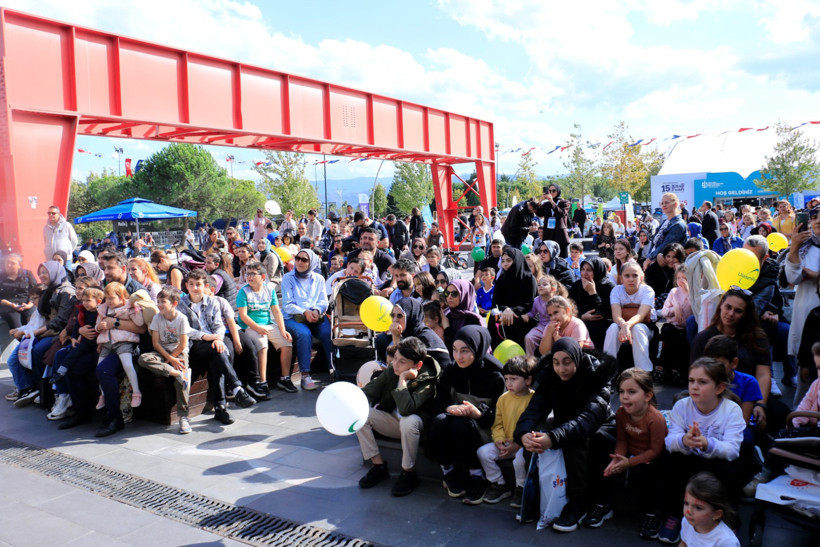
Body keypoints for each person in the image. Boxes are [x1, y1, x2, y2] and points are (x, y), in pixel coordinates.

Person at [515, 337, 618, 533]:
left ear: (577, 359)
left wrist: (553, 438)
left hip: (599, 430)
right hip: (566, 426)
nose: (561, 369)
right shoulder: (549, 377)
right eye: (556, 362)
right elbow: (534, 410)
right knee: (534, 439)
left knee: (574, 442)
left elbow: (589, 419)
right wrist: (523, 434)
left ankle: (578, 503)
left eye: (567, 362)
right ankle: (535, 495)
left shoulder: (596, 376)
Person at [657, 358, 745, 544]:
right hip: (690, 459)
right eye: (691, 381)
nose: (694, 386)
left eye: (702, 382)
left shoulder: (732, 410)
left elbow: (732, 449)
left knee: (732, 469)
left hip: (716, 462)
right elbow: (670, 440)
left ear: (719, 388)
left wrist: (707, 444)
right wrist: (684, 440)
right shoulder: (682, 405)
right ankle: (674, 514)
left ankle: (727, 518)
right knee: (669, 461)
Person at [356, 337, 442, 497]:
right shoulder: (392, 370)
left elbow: (406, 409)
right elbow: (369, 391)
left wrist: (402, 380)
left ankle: (409, 472)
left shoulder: (428, 380)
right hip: (394, 422)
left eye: (402, 362)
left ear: (417, 365)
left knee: (408, 422)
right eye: (395, 358)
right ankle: (378, 466)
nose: (395, 364)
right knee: (358, 414)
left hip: (416, 427)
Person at [429, 326, 505, 504]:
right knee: (439, 421)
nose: (458, 357)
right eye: (454, 350)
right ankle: (448, 472)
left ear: (477, 349)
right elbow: (438, 402)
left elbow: (500, 416)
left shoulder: (495, 376)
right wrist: (449, 408)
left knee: (461, 425)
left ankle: (477, 475)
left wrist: (477, 414)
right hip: (456, 422)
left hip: (483, 428)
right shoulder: (452, 371)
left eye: (465, 351)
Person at [589, 368, 668, 537]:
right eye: (622, 392)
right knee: (604, 457)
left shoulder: (655, 419)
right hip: (628, 454)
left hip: (649, 458)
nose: (624, 396)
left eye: (632, 392)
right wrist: (618, 458)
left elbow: (655, 451)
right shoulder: (621, 413)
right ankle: (605, 503)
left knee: (654, 472)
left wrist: (629, 463)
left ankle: (653, 513)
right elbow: (622, 440)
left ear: (647, 396)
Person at [476, 355, 536, 506]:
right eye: (507, 378)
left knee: (520, 460)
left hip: (523, 446)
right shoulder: (503, 398)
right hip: (506, 444)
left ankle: (521, 488)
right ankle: (499, 484)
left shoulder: (533, 399)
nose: (509, 383)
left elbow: (533, 426)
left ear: (528, 380)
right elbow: (497, 424)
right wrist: (499, 441)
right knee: (483, 453)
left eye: (513, 379)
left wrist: (517, 443)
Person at [137, 287, 193, 434]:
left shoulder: (181, 319)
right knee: (143, 358)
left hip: (179, 352)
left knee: (182, 383)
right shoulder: (157, 318)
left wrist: (172, 359)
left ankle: (183, 417)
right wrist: (169, 363)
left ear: (174, 303)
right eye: (158, 301)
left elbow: (182, 344)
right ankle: (176, 373)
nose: (159, 305)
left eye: (163, 302)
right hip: (162, 352)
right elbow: (156, 343)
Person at [236, 262, 295, 394]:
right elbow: (243, 316)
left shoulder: (269, 290)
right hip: (250, 326)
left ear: (262, 276)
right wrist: (257, 328)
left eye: (252, 274)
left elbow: (276, 312)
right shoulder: (243, 292)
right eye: (247, 273)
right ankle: (262, 382)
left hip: (267, 323)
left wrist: (283, 329)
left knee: (287, 343)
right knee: (263, 344)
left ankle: (285, 378)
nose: (249, 277)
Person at [282, 249, 331, 390]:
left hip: (314, 315)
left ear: (312, 262)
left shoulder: (319, 279)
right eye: (298, 258)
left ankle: (334, 369)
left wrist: (315, 310)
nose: (299, 262)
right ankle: (305, 375)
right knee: (304, 334)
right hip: (293, 317)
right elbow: (287, 305)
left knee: (328, 333)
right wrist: (305, 311)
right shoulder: (288, 278)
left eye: (304, 260)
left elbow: (323, 301)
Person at [786, 208, 820, 399]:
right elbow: (793, 277)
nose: (817, 221)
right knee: (806, 382)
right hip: (809, 320)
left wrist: (816, 274)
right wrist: (794, 248)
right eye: (813, 217)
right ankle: (800, 425)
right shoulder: (805, 246)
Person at [95, 281, 145, 408]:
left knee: (127, 365)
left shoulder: (127, 308)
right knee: (99, 368)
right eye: (107, 298)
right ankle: (103, 394)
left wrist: (137, 309)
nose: (109, 301)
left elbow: (139, 323)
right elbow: (97, 326)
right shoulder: (103, 308)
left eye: (112, 298)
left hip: (123, 342)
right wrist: (99, 327)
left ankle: (136, 392)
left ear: (121, 297)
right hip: (107, 342)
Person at [604, 262, 656, 372]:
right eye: (627, 276)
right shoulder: (616, 290)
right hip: (622, 326)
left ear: (641, 277)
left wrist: (627, 325)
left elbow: (640, 315)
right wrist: (624, 325)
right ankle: (607, 371)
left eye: (635, 275)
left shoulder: (648, 291)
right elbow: (616, 315)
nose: (631, 279)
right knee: (613, 328)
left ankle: (643, 372)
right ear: (621, 278)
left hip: (645, 328)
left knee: (638, 329)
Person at [491, 247, 536, 347]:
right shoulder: (502, 278)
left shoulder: (528, 279)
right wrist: (506, 309)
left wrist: (512, 311)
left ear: (517, 260)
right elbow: (496, 302)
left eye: (509, 260)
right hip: (504, 313)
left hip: (522, 315)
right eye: (503, 261)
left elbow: (529, 303)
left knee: (515, 322)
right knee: (493, 319)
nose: (505, 264)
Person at [680, 472, 740, 547]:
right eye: (686, 503)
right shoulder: (686, 522)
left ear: (717, 514)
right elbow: (684, 543)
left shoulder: (726, 541)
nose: (688, 511)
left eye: (698, 507)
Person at [657, 265, 692, 385]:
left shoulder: (694, 293)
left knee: (682, 340)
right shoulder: (674, 292)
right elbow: (664, 312)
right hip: (672, 326)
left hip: (686, 327)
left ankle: (682, 372)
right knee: (668, 332)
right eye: (679, 278)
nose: (681, 281)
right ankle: (666, 371)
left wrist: (688, 292)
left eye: (685, 278)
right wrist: (674, 308)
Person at [569, 257, 615, 350]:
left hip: (602, 323)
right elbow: (570, 307)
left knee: (594, 327)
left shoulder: (608, 286)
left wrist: (592, 293)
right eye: (583, 269)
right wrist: (582, 316)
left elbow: (604, 311)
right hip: (580, 319)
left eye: (589, 270)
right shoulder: (577, 285)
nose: (585, 273)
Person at [645, 193, 687, 269]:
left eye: (667, 203)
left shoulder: (678, 224)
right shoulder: (665, 221)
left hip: (666, 266)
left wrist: (649, 258)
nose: (664, 205)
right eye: (662, 203)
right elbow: (655, 243)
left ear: (675, 204)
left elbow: (666, 246)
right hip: (654, 261)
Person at [442, 279, 484, 348]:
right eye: (447, 293)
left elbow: (460, 347)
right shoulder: (448, 316)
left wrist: (447, 328)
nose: (449, 297)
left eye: (454, 294)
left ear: (464, 295)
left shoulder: (473, 320)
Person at [0, 253, 38, 328]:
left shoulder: (27, 274)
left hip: (27, 303)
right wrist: (11, 304)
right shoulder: (1, 276)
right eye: (7, 262)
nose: (9, 265)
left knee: (32, 323)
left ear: (19, 265)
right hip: (9, 306)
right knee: (17, 327)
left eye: (12, 263)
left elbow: (35, 291)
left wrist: (29, 304)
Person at [539, 184, 571, 257]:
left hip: (560, 236)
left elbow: (561, 213)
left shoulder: (564, 202)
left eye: (554, 190)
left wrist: (552, 202)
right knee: (549, 259)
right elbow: (539, 213)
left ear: (558, 191)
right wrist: (540, 201)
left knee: (562, 259)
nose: (551, 192)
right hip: (548, 235)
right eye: (549, 191)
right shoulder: (546, 204)